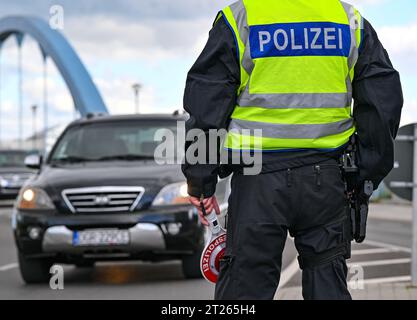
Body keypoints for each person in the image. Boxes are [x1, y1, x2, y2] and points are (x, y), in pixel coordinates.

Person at [182, 0, 403, 300]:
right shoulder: (348, 21)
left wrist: (201, 178)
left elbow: (207, 102)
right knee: (328, 286)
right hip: (326, 179)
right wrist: (364, 175)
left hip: (257, 181)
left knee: (246, 288)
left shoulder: (241, 19)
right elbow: (382, 103)